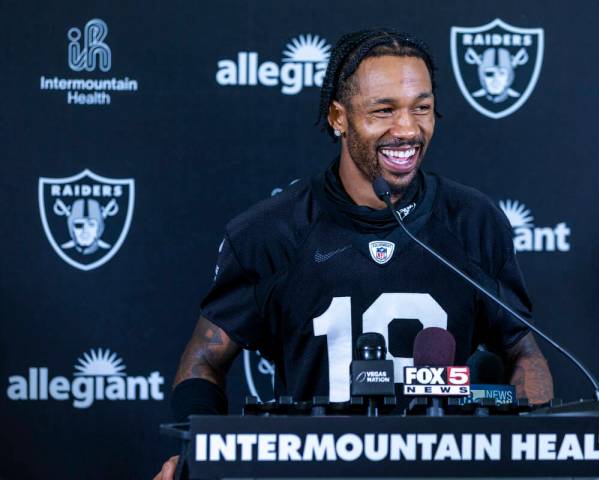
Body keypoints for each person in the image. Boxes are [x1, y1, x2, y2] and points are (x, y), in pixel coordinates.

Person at [154, 28, 553, 480]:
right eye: (383, 110)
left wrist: (530, 449)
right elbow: (204, 358)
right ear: (338, 117)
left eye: (421, 108)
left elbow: (524, 353)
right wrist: (194, 452)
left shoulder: (474, 222)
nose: (407, 129)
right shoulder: (271, 231)